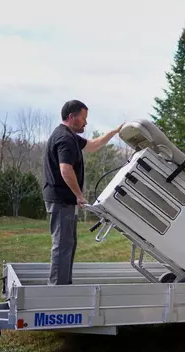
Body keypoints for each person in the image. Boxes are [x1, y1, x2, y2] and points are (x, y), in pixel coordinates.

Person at [42, 99, 124, 285]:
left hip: (63, 200)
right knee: (63, 245)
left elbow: (93, 145)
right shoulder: (65, 138)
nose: (86, 123)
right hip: (62, 200)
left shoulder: (68, 135)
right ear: (72, 117)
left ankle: (63, 285)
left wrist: (114, 132)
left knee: (68, 244)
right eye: (83, 118)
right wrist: (79, 195)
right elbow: (65, 169)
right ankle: (57, 290)